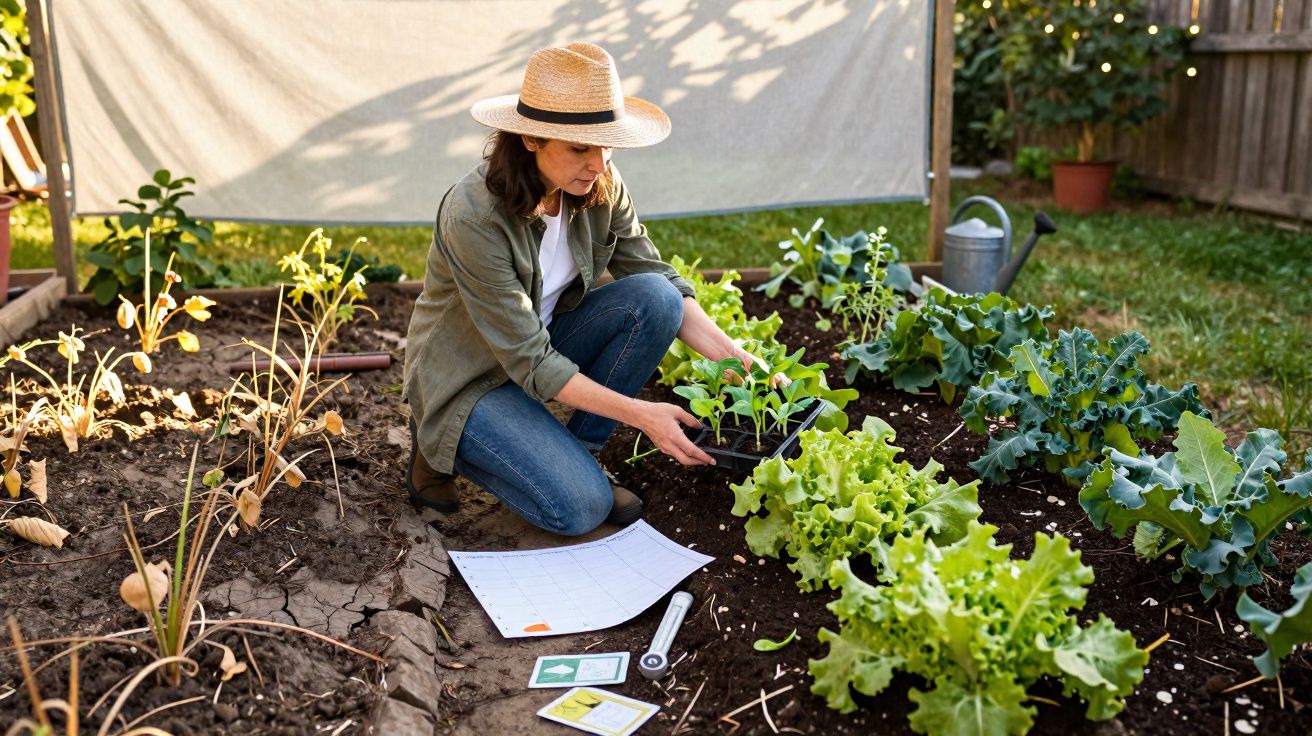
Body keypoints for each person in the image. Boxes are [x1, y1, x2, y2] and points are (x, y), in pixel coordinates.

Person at [403, 42, 756, 537]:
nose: (598, 163)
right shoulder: (474, 217)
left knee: (654, 298)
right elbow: (528, 359)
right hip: (471, 377)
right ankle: (439, 440)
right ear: (530, 139)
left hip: (543, 344)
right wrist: (640, 415)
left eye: (606, 144)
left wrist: (736, 359)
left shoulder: (599, 182)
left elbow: (656, 274)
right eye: (580, 147)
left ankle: (579, 454)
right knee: (579, 511)